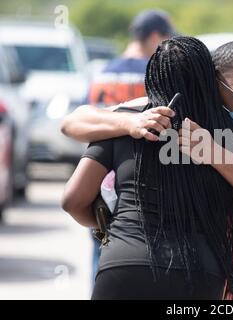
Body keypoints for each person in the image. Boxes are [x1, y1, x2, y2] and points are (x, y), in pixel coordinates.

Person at [61, 41, 233, 300]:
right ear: (213, 81)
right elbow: (74, 121)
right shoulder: (143, 118)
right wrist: (128, 121)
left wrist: (117, 229)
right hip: (207, 275)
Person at [86, 9, 177, 283]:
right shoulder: (152, 72)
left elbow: (88, 115)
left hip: (96, 169)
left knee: (100, 244)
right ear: (153, 37)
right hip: (132, 173)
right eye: (165, 39)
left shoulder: (102, 72)